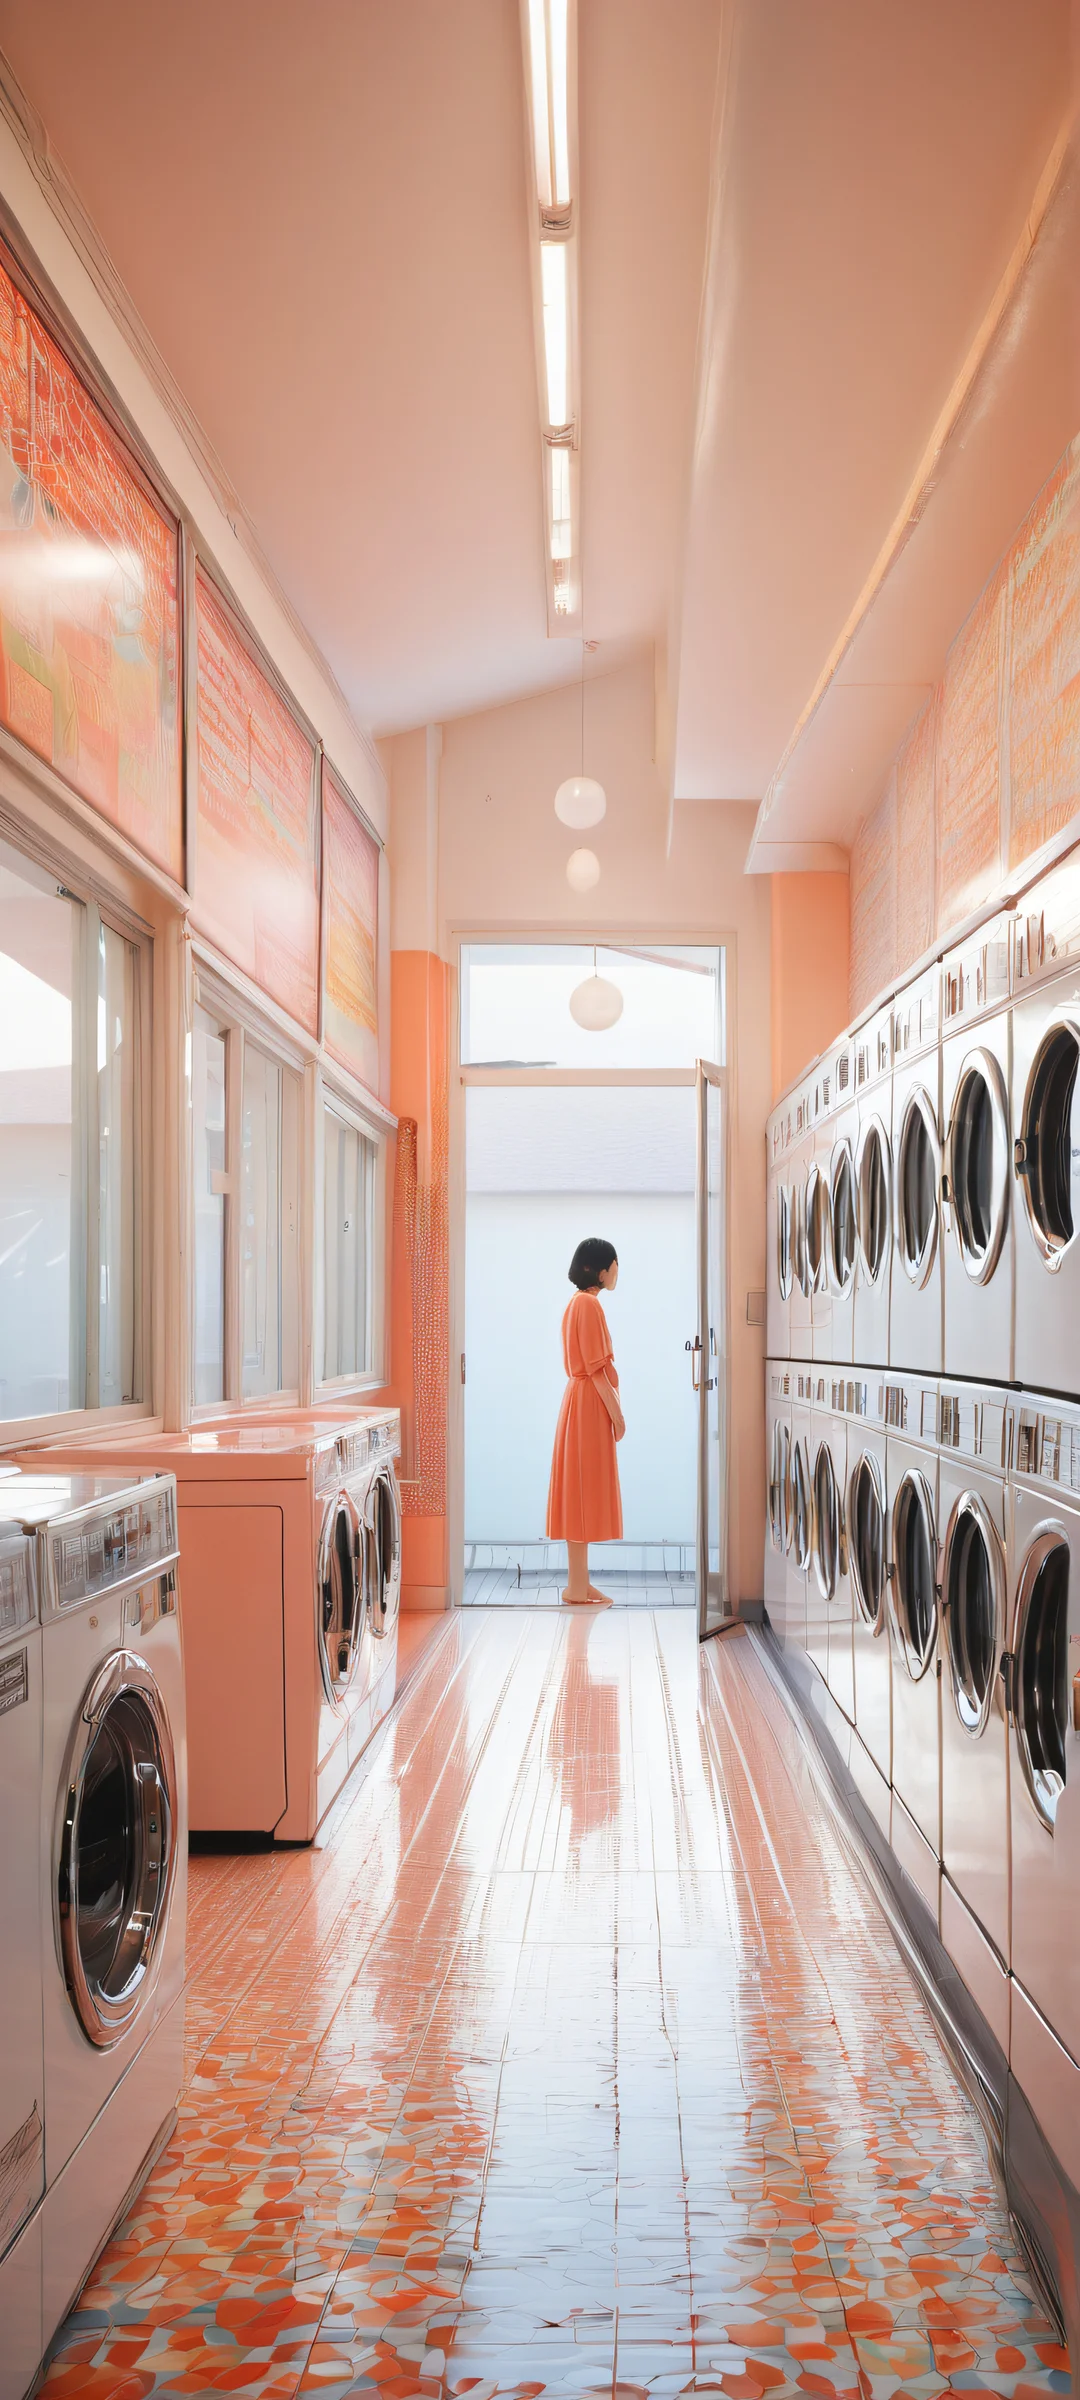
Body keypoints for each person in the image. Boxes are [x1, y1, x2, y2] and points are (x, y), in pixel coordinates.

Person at [546, 1236, 624, 1605]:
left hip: (580, 1403)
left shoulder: (577, 1304)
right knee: (583, 1492)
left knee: (578, 1491)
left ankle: (579, 1583)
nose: (617, 1272)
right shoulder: (588, 1306)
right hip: (589, 1404)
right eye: (614, 1264)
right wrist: (618, 1415)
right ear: (601, 1268)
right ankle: (578, 1586)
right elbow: (595, 1370)